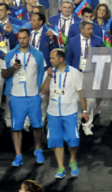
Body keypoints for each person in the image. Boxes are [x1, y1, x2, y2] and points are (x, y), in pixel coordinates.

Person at [41, 48, 87, 179]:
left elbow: (81, 92)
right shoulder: (48, 72)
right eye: (50, 58)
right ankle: (61, 167)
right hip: (53, 112)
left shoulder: (74, 73)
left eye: (52, 58)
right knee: (56, 140)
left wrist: (84, 111)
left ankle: (72, 160)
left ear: (61, 59)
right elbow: (43, 90)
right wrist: (49, 76)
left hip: (70, 111)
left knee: (73, 139)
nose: (50, 60)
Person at [2, 28, 46, 167]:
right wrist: (13, 69)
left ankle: (38, 149)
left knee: (38, 125)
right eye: (20, 38)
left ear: (29, 38)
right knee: (16, 128)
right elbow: (4, 74)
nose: (22, 40)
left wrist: (41, 91)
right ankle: (18, 155)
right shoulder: (10, 55)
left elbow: (42, 73)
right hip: (16, 96)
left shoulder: (38, 55)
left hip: (33, 95)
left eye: (24, 38)